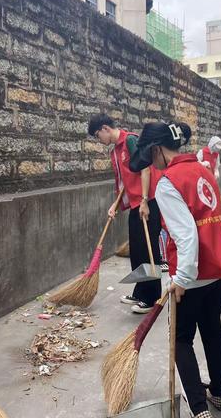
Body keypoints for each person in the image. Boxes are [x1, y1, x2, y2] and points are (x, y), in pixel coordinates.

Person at [131, 121, 221, 418]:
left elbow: (186, 236)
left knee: (181, 338)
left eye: (150, 157)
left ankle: (198, 410)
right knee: (212, 328)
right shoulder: (202, 169)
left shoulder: (168, 182)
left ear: (157, 150)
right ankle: (218, 394)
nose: (151, 165)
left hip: (195, 275)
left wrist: (181, 279)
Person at [88, 114, 163, 314]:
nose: (99, 140)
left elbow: (145, 169)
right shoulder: (115, 151)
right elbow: (124, 183)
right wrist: (115, 204)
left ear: (105, 128)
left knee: (148, 250)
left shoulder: (130, 140)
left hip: (148, 202)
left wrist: (145, 200)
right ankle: (140, 292)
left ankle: (152, 297)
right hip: (135, 205)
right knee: (137, 251)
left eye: (98, 135)